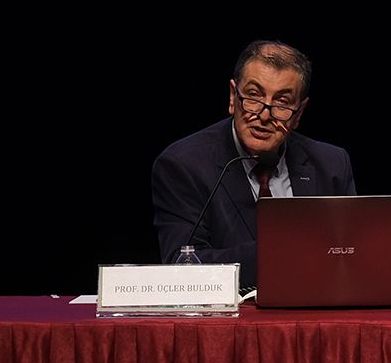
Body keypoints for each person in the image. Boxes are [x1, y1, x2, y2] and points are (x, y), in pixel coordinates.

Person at [152, 40, 356, 288]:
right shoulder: (184, 165)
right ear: (232, 96)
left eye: (282, 101)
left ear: (299, 113)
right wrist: (286, 251)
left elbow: (351, 257)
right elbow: (182, 266)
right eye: (253, 95)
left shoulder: (331, 165)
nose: (264, 115)